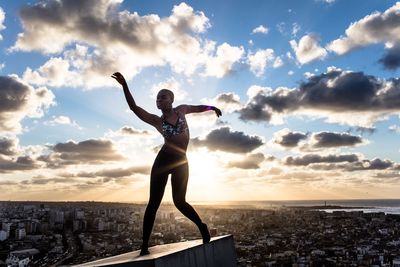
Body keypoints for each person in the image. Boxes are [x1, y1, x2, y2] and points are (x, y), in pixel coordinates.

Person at [111, 72, 222, 256]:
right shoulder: (157, 121)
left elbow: (198, 107)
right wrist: (124, 86)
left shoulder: (182, 110)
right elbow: (134, 108)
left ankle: (202, 226)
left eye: (163, 97)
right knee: (153, 203)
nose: (159, 100)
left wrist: (212, 107)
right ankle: (144, 244)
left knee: (180, 201)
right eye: (157, 99)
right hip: (163, 160)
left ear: (171, 100)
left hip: (181, 162)